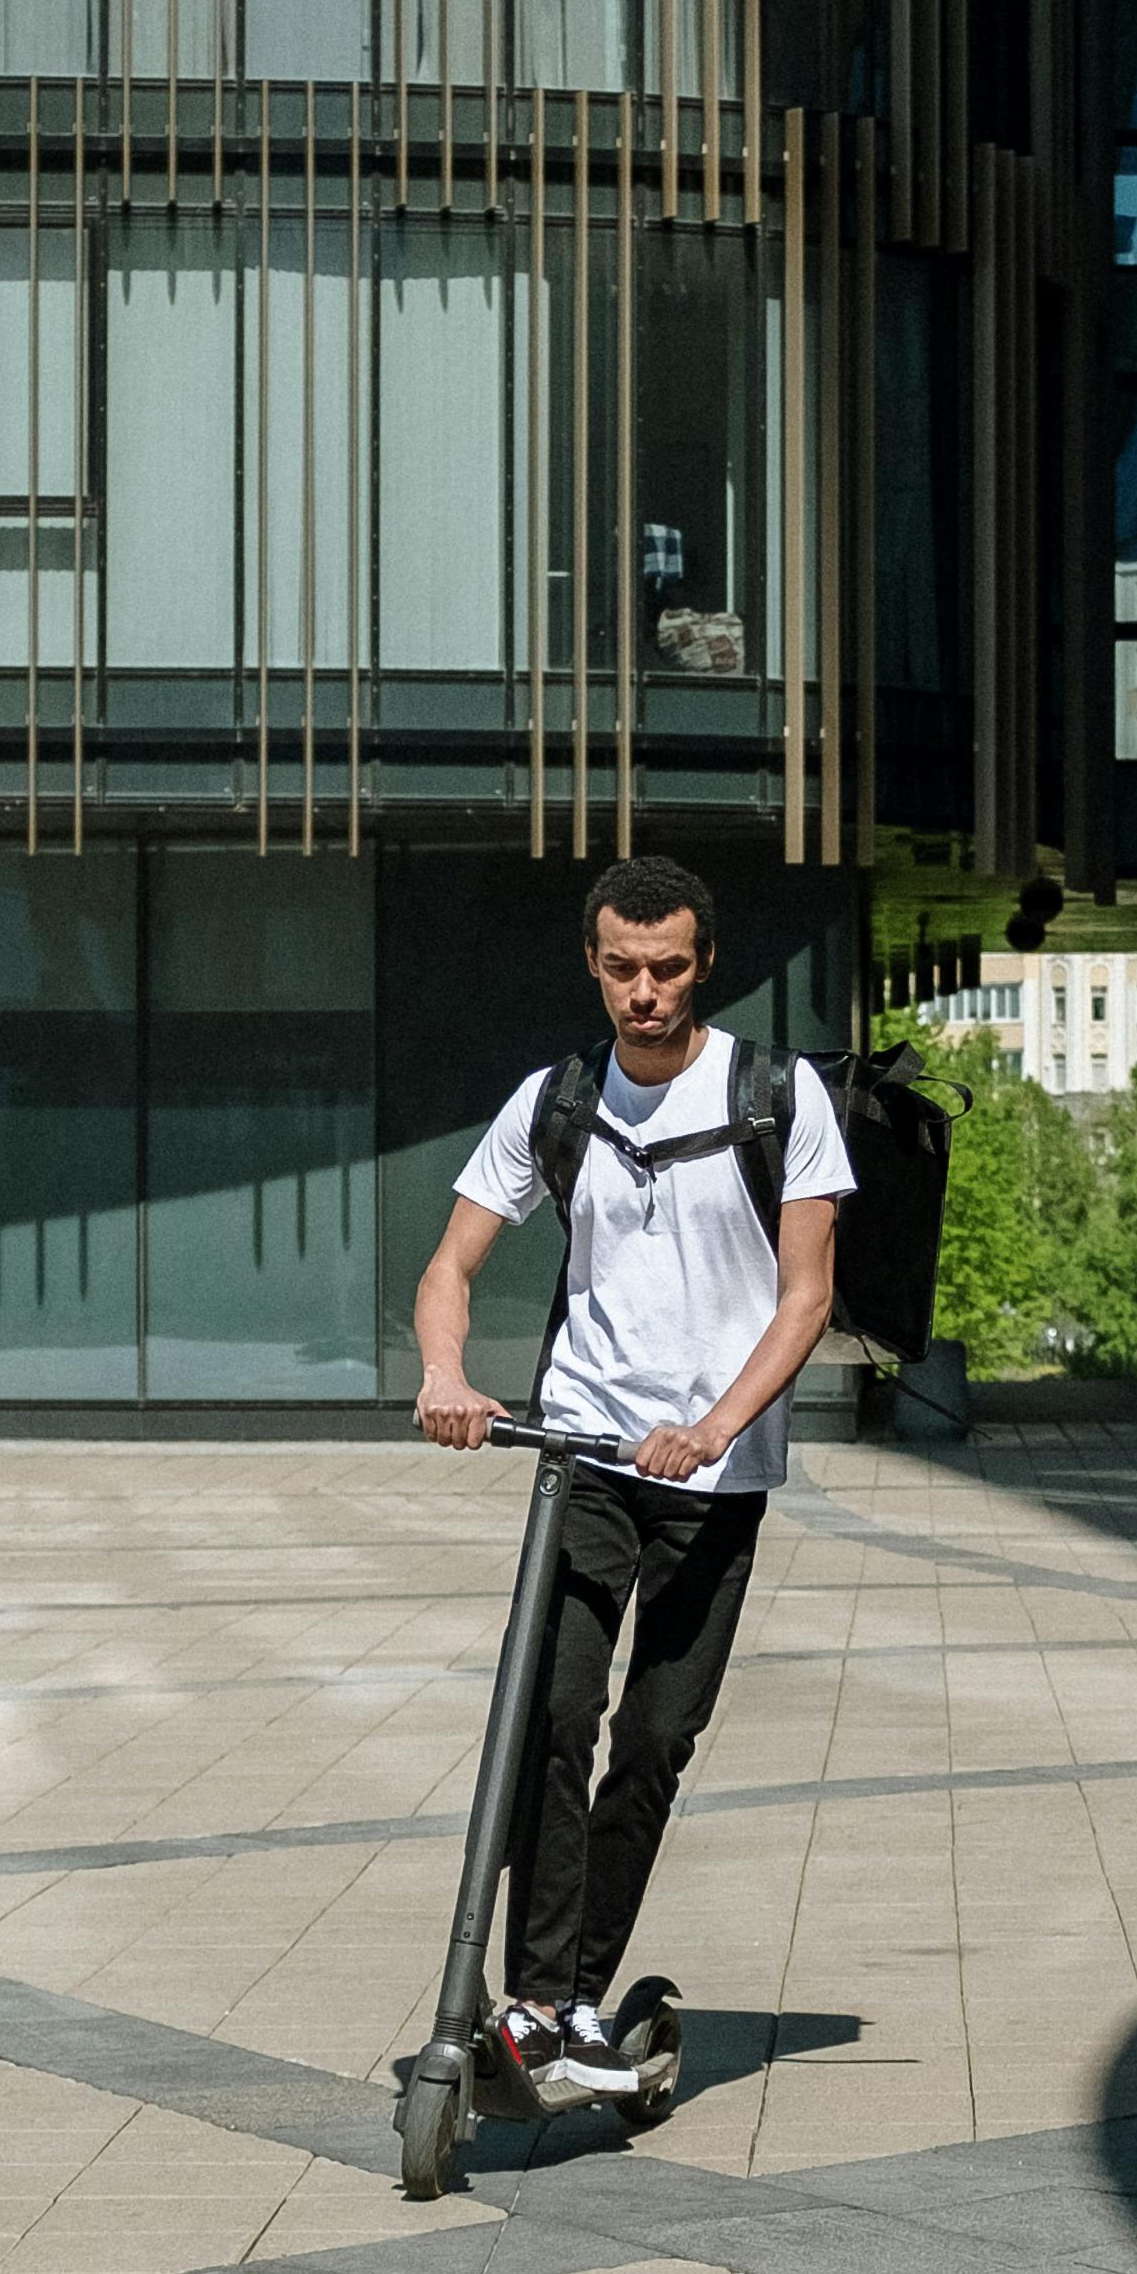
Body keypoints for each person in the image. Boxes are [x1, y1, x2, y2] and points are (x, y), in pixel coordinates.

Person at [411, 854, 850, 2111]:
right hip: (587, 1453)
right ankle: (541, 2002)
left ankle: (587, 1992)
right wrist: (447, 1373)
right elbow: (452, 1263)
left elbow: (805, 1294)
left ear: (701, 963)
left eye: (665, 969)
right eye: (620, 969)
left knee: (653, 1738)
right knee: (550, 1718)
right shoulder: (557, 1097)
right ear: (593, 965)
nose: (643, 992)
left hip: (718, 1472)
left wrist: (712, 1425)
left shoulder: (778, 1096)